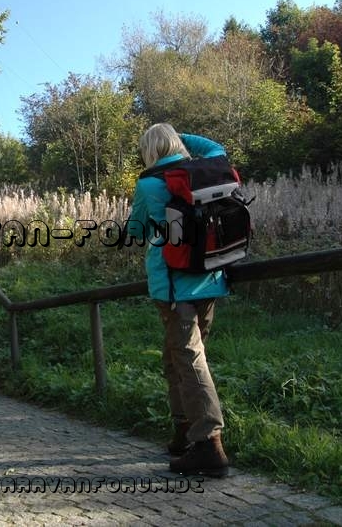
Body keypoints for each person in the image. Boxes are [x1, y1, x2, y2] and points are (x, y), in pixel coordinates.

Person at [125, 123, 230, 477]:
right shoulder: (209, 166)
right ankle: (184, 430)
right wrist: (178, 135)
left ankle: (209, 444)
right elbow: (216, 144)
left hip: (173, 288)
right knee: (177, 358)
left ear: (149, 151)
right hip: (211, 279)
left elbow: (135, 231)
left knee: (188, 360)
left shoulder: (149, 184)